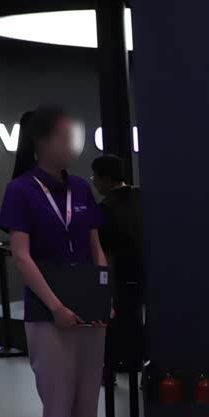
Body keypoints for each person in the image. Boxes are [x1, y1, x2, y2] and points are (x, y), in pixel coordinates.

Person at [0, 106, 109, 417]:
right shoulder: (21, 190)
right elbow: (21, 256)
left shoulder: (80, 188)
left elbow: (96, 247)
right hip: (48, 315)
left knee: (87, 403)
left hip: (89, 313)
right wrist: (55, 305)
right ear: (41, 142)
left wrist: (102, 296)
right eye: (64, 136)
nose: (71, 144)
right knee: (58, 404)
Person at [90, 153, 146, 374]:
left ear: (105, 178)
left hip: (121, 276)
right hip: (147, 272)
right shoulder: (142, 197)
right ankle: (138, 363)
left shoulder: (105, 208)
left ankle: (111, 369)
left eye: (95, 177)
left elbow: (103, 250)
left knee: (115, 322)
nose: (93, 182)